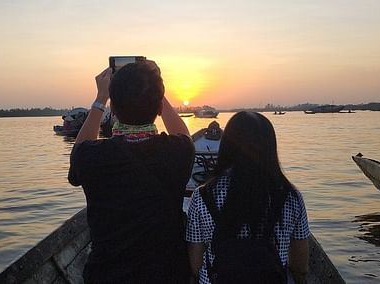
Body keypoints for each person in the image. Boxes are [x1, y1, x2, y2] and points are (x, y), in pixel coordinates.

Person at [68, 60, 195, 283]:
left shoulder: (91, 157)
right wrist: (156, 88)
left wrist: (100, 99)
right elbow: (184, 136)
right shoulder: (177, 153)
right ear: (158, 108)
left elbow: (78, 151)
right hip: (166, 276)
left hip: (107, 276)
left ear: (113, 109)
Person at [186, 111, 310, 284]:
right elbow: (300, 266)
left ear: (227, 145)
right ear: (269, 147)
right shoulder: (291, 196)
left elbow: (195, 264)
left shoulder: (202, 196)